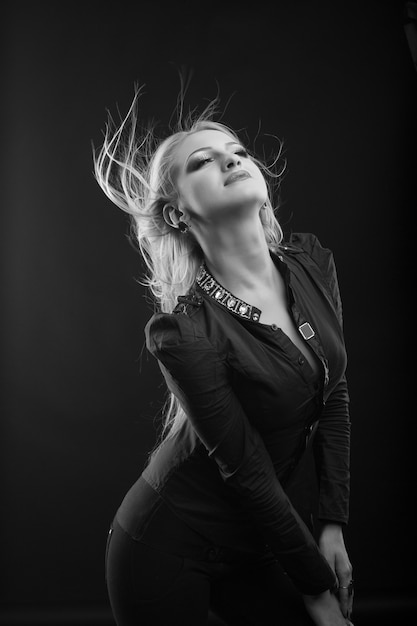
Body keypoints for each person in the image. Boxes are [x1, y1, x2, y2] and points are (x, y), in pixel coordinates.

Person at [93, 85, 354, 626]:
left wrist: (331, 525)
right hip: (166, 547)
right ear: (177, 215)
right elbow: (249, 472)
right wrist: (314, 588)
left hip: (259, 539)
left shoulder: (311, 262)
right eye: (203, 163)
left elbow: (334, 391)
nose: (231, 159)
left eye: (236, 151)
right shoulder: (183, 333)